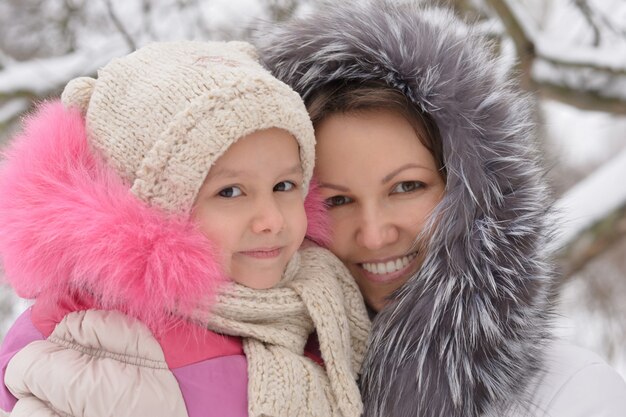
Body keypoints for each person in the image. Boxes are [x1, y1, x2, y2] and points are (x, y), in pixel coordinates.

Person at [255, 1, 626, 416]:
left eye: (406, 186)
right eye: (337, 200)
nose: (375, 234)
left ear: (474, 193)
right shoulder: (236, 382)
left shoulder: (570, 395)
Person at [0, 40, 370, 417]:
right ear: (155, 209)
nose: (271, 220)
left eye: (284, 186)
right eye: (230, 192)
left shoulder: (319, 300)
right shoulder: (97, 344)